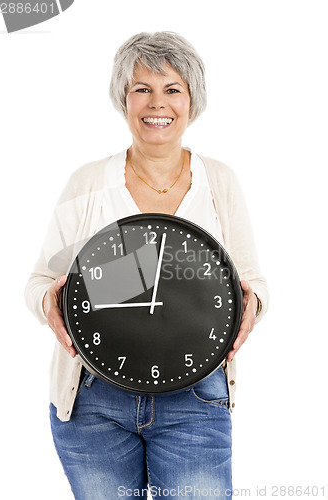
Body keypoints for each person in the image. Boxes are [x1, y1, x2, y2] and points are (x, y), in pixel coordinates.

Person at [25, 31, 268, 499]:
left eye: (172, 89)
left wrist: (253, 303)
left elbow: (252, 281)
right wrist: (51, 302)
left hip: (196, 398)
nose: (158, 103)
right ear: (124, 99)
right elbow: (40, 282)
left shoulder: (219, 181)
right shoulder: (90, 181)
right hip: (94, 400)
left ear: (192, 100)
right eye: (142, 89)